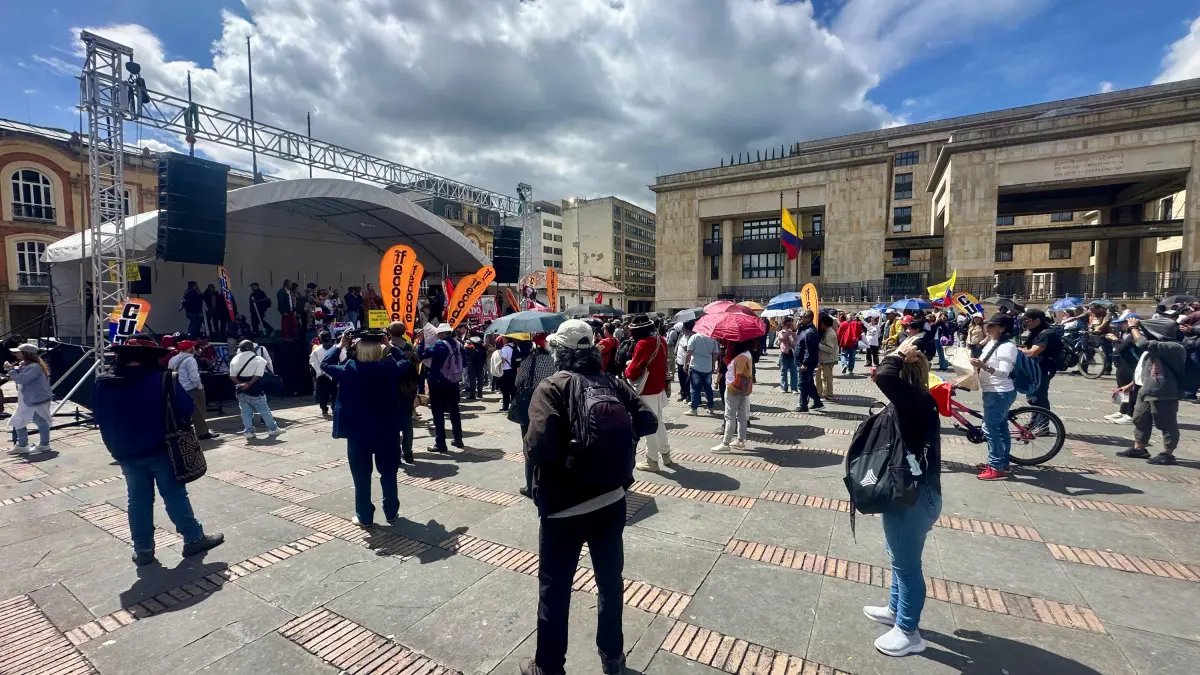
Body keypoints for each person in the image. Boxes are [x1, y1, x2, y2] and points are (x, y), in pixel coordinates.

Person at [520, 319, 657, 675]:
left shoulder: (551, 387)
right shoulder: (612, 382)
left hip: (563, 508)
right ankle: (613, 658)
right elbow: (648, 421)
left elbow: (538, 445)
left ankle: (548, 667)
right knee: (610, 583)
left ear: (559, 353)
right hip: (610, 500)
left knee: (555, 588)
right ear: (593, 350)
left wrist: (566, 462)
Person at [93, 340, 224, 566]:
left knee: (137, 499)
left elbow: (98, 415)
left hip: (125, 451)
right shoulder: (163, 379)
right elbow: (187, 408)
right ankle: (193, 537)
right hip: (163, 448)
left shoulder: (103, 383)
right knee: (174, 495)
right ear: (151, 357)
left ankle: (143, 549)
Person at [864, 335, 941, 657]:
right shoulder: (916, 400)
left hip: (913, 497)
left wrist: (895, 354)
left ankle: (909, 631)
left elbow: (882, 375)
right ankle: (896, 609)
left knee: (907, 565)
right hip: (911, 492)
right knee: (898, 558)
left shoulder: (916, 402)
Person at [321, 331, 408, 527]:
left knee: (361, 476)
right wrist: (391, 346)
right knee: (389, 473)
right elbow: (406, 361)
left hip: (358, 432)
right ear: (380, 348)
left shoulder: (349, 369)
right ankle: (391, 512)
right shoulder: (388, 367)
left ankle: (365, 516)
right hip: (387, 430)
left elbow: (324, 364)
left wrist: (340, 345)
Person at [1115, 318, 1185, 465]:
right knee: (1139, 418)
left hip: (1163, 391)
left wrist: (1133, 327)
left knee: (1166, 422)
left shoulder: (1173, 347)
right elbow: (1144, 369)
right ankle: (1140, 448)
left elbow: (1142, 343)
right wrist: (1131, 384)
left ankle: (1168, 453)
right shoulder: (1154, 348)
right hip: (1145, 388)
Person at [970, 314, 1019, 481]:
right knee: (1001, 427)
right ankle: (1001, 462)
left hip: (1000, 392)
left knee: (990, 429)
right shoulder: (992, 342)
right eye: (987, 325)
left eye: (992, 326)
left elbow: (1004, 373)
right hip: (992, 391)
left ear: (1003, 328)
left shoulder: (1008, 347)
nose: (987, 328)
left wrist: (983, 366)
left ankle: (996, 466)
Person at [510, 336, 558, 496]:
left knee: (529, 444)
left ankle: (530, 486)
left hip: (529, 404)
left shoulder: (528, 361)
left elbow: (517, 382)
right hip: (549, 404)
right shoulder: (555, 361)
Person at [625, 315, 672, 472]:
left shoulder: (643, 344)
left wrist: (626, 368)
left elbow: (633, 372)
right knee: (659, 422)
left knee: (649, 426)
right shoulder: (661, 340)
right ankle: (666, 454)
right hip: (659, 388)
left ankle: (652, 460)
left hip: (646, 390)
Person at [422, 323, 465, 453]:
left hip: (438, 381)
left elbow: (424, 354)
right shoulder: (458, 344)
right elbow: (464, 361)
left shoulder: (439, 344)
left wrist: (421, 342)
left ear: (440, 334)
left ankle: (440, 443)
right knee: (454, 410)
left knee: (438, 413)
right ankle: (458, 439)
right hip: (453, 381)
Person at [229, 340, 283, 439]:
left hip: (240, 389)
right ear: (252, 348)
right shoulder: (260, 360)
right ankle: (273, 429)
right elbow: (258, 375)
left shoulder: (234, 359)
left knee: (245, 411)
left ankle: (249, 432)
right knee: (264, 410)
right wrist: (249, 384)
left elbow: (232, 376)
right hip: (255, 388)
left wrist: (241, 384)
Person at [5, 343, 53, 454]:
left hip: (35, 399)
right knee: (21, 420)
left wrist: (11, 370)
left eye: (19, 352)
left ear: (25, 353)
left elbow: (22, 379)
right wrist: (15, 369)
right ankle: (26, 445)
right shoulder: (28, 365)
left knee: (38, 420)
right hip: (28, 398)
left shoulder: (34, 367)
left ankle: (41, 444)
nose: (16, 354)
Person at [711, 338, 755, 453]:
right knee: (741, 414)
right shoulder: (747, 353)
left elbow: (739, 375)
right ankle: (740, 440)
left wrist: (731, 386)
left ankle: (726, 443)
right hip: (744, 388)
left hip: (735, 389)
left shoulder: (740, 356)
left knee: (729, 416)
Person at [167, 340, 217, 440]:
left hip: (178, 388)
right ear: (190, 349)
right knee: (198, 412)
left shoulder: (172, 359)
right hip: (191, 388)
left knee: (183, 412)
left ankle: (185, 432)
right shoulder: (190, 360)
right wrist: (200, 387)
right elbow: (194, 377)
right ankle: (202, 432)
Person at [388, 322, 420, 464]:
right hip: (408, 389)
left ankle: (395, 452)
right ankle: (408, 452)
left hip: (391, 389)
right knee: (407, 422)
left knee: (392, 422)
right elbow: (417, 367)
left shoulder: (385, 348)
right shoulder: (410, 347)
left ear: (389, 332)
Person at [1018, 309, 1062, 413]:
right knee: (1033, 398)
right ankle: (1035, 423)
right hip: (1035, 368)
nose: (1025, 322)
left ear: (1037, 320)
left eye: (1027, 320)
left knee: (1038, 397)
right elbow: (1028, 349)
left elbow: (1032, 353)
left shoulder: (1046, 333)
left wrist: (1013, 350)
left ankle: (1042, 425)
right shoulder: (1036, 332)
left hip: (1043, 368)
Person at [1105, 312, 1141, 424]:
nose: (1120, 325)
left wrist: (1115, 340)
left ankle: (1130, 414)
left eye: (1123, 323)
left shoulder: (1134, 335)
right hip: (1123, 365)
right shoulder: (1126, 334)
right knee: (1123, 389)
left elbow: (1120, 348)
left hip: (1131, 366)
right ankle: (1123, 411)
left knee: (1131, 391)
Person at [686, 324, 720, 415]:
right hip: (707, 367)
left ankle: (694, 409)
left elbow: (689, 352)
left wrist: (686, 364)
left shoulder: (694, 337)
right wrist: (713, 364)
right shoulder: (712, 338)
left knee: (695, 388)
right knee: (708, 388)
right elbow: (715, 353)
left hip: (695, 366)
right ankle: (710, 407)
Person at [795, 310, 823, 412]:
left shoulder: (810, 332)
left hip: (806, 363)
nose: (800, 318)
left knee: (802, 384)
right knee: (809, 383)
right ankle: (817, 402)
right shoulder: (804, 329)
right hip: (801, 361)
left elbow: (809, 350)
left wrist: (805, 363)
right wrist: (798, 326)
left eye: (802, 317)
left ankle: (803, 405)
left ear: (808, 318)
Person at [309, 331, 342, 416]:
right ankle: (333, 408)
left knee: (324, 394)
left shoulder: (316, 350)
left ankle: (324, 409)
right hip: (333, 373)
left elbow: (312, 362)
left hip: (323, 375)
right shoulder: (336, 348)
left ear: (320, 339)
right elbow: (342, 360)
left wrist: (318, 372)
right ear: (330, 338)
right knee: (334, 393)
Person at [816, 313, 839, 399]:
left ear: (824, 324)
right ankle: (820, 393)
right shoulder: (827, 332)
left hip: (828, 359)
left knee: (826, 378)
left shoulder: (830, 333)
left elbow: (830, 349)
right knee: (819, 378)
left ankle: (829, 394)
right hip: (824, 359)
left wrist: (818, 345)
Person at [673, 321, 694, 403]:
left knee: (687, 381)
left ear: (688, 329)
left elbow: (690, 350)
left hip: (687, 362)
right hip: (679, 360)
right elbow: (678, 346)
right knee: (681, 379)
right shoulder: (682, 336)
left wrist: (687, 348)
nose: (683, 330)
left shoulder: (692, 337)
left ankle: (688, 396)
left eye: (684, 329)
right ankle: (683, 395)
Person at [777, 316, 798, 393]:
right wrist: (789, 332)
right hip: (784, 353)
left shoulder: (794, 333)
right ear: (783, 324)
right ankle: (784, 387)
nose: (789, 325)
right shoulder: (781, 332)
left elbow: (796, 341)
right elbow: (782, 337)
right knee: (783, 371)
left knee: (794, 371)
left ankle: (794, 388)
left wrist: (792, 334)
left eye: (790, 324)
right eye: (787, 324)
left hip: (792, 353)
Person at [463, 335, 487, 400]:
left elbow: (466, 354)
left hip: (471, 364)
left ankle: (473, 395)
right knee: (480, 379)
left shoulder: (469, 345)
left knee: (472, 380)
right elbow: (485, 355)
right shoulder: (482, 346)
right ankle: (480, 394)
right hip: (480, 364)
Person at [498, 336, 517, 411]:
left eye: (503, 338)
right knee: (513, 389)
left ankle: (505, 406)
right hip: (513, 370)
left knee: (505, 390)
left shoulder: (505, 348)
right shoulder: (515, 347)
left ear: (506, 339)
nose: (502, 339)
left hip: (506, 370)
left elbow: (503, 359)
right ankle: (514, 406)